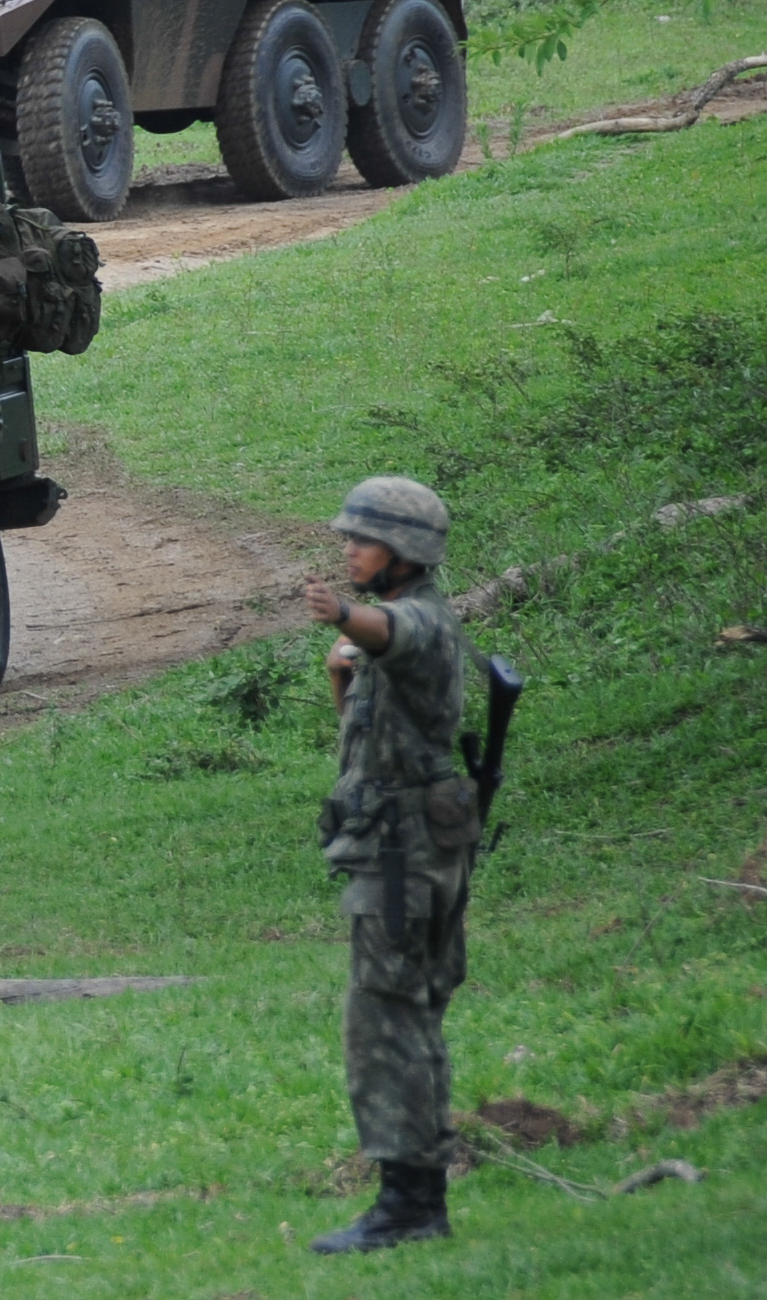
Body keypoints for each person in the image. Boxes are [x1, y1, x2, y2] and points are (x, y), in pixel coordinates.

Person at [300, 476, 474, 1255]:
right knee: (401, 1013)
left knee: (387, 1019)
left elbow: (391, 632)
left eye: (362, 540)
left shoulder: (422, 622)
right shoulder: (390, 634)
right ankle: (415, 1196)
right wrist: (342, 678)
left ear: (404, 553)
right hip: (394, 844)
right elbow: (372, 741)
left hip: (405, 858)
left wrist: (341, 615)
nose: (349, 550)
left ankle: (407, 1204)